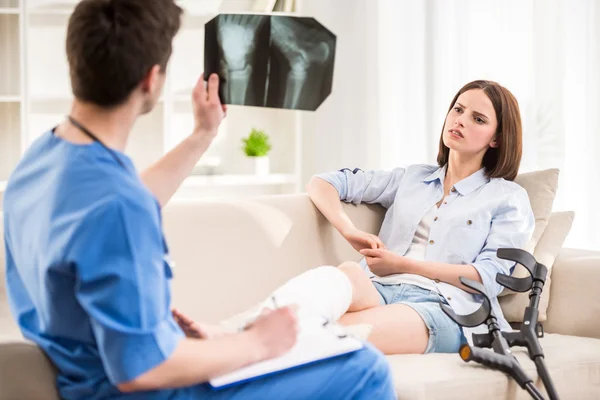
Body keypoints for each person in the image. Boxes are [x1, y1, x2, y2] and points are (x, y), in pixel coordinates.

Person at [2, 1, 396, 399]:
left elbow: (115, 204)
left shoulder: (44, 158)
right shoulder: (119, 206)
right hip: (139, 389)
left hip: (78, 367)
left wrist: (203, 134)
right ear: (151, 79)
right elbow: (141, 369)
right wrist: (258, 343)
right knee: (366, 369)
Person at [189, 79, 535, 357]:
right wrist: (349, 230)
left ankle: (231, 348)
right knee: (341, 275)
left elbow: (489, 279)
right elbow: (324, 182)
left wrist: (404, 265)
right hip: (378, 289)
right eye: (458, 109)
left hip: (447, 309)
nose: (460, 120)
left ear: (497, 139)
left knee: (330, 332)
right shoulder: (412, 179)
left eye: (478, 118)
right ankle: (229, 330)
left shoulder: (507, 198)